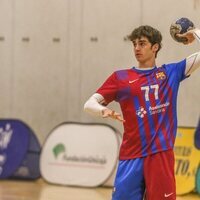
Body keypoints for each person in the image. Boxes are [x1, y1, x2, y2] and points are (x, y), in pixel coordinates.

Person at [84, 25, 200, 200]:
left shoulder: (170, 73)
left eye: (142, 43)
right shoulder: (120, 78)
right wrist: (103, 110)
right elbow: (89, 104)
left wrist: (195, 32)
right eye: (135, 44)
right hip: (131, 156)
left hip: (160, 154)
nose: (137, 48)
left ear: (155, 47)